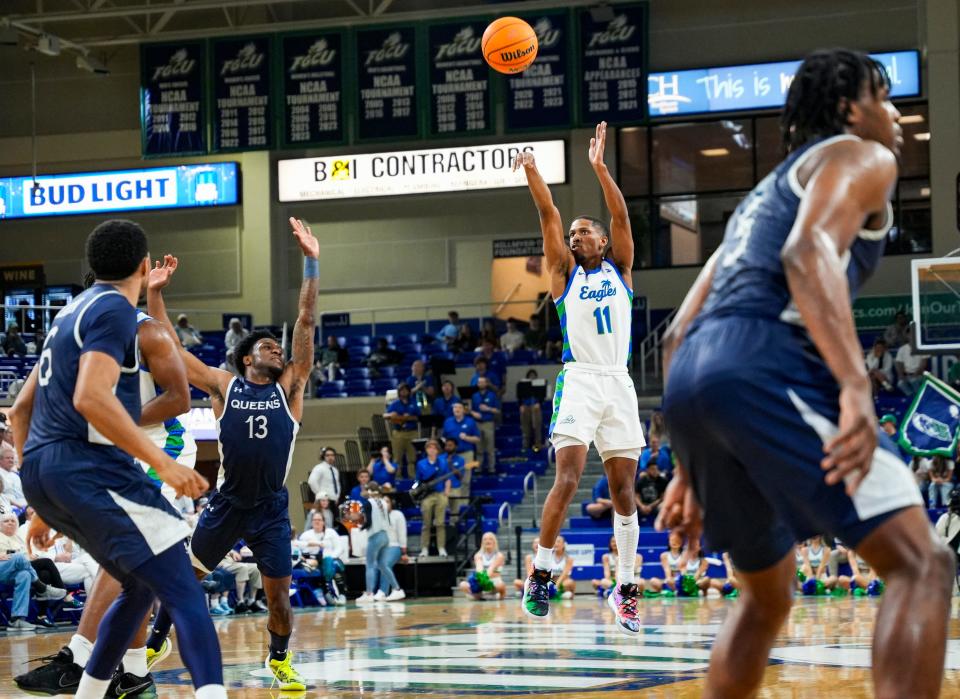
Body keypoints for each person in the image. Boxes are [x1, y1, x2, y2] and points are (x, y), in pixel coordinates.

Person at [658, 50, 954, 698]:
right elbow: (807, 249)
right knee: (922, 563)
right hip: (767, 360)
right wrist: (854, 383)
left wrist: (688, 465)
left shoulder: (756, 201)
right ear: (850, 109)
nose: (898, 117)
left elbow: (677, 330)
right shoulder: (861, 156)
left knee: (767, 597)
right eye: (885, 97)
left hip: (695, 380)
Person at [9, 219, 221, 698]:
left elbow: (21, 410)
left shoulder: (67, 314)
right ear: (144, 266)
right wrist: (162, 461)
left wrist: (40, 498)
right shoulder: (117, 315)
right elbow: (92, 397)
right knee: (182, 588)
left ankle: (98, 679)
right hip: (100, 464)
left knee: (139, 580)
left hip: (47, 466)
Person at [144, 215, 319, 692]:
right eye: (267, 346)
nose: (276, 351)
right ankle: (157, 639)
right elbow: (173, 353)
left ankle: (279, 659)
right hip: (226, 505)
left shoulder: (291, 387)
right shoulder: (224, 386)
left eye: (278, 348)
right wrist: (155, 294)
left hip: (270, 510)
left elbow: (305, 322)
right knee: (185, 580)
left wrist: (311, 262)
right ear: (247, 358)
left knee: (280, 601)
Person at [515, 122, 645, 634]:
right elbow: (548, 213)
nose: (575, 236)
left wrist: (599, 167)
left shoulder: (623, 268)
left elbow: (622, 213)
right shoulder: (564, 277)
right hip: (580, 380)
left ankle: (627, 587)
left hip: (620, 382)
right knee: (567, 478)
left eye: (583, 231)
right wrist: (532, 174)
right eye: (572, 234)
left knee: (624, 490)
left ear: (603, 240)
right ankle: (541, 573)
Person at [297, 512, 346, 605]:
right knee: (317, 568)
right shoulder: (306, 535)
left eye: (319, 520)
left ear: (323, 522)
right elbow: (300, 550)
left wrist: (330, 557)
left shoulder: (331, 532)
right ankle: (327, 594)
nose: (317, 522)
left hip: (331, 557)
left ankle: (342, 595)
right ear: (311, 522)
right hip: (314, 560)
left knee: (335, 565)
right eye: (315, 520)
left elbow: (339, 548)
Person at [355, 482, 391, 604]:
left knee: (370, 565)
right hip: (385, 535)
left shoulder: (369, 503)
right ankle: (383, 592)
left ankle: (369, 593)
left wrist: (360, 526)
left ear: (368, 491)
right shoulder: (384, 502)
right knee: (383, 565)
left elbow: (369, 522)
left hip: (375, 535)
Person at [416, 440, 451, 558]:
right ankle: (424, 548)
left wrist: (447, 490)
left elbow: (448, 477)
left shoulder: (443, 462)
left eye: (434, 448)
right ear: (426, 450)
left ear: (437, 450)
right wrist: (416, 493)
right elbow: (417, 481)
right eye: (429, 448)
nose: (431, 450)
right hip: (427, 496)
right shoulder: (421, 464)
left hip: (440, 493)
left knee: (440, 523)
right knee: (426, 524)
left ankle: (441, 547)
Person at [384, 383, 420, 479]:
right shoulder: (395, 404)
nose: (404, 392)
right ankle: (397, 477)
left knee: (412, 457)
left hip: (412, 432)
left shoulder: (414, 403)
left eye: (405, 390)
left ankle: (413, 477)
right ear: (399, 392)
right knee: (397, 458)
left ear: (409, 391)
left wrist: (407, 418)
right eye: (402, 390)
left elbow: (419, 417)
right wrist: (393, 415)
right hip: (399, 433)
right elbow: (386, 415)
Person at [377, 494, 407, 601]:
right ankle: (381, 592)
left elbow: (402, 534)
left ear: (391, 503)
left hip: (395, 547)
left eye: (387, 501)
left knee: (384, 564)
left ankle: (396, 589)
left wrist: (404, 552)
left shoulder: (398, 515)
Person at [459, 532, 506, 600]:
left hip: (494, 582)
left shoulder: (499, 556)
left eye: (490, 539)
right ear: (482, 542)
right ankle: (479, 595)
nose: (488, 541)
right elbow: (479, 571)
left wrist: (483, 577)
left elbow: (493, 571)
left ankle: (496, 596)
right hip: (481, 582)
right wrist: (481, 579)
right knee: (462, 584)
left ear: (494, 542)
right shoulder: (478, 555)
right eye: (485, 539)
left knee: (501, 585)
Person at [470, 375, 500, 476]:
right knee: (479, 448)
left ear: (486, 383)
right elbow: (471, 410)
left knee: (490, 447)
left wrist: (488, 409)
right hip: (477, 423)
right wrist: (473, 413)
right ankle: (479, 468)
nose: (481, 384)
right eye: (479, 382)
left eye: (483, 382)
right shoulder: (474, 396)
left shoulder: (492, 395)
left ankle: (492, 468)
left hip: (488, 423)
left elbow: (497, 410)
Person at [520, 369, 544, 451]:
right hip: (526, 407)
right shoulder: (523, 385)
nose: (532, 377)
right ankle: (525, 446)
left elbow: (542, 396)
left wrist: (539, 403)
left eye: (533, 376)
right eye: (530, 376)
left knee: (537, 427)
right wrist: (521, 405)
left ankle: (538, 445)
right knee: (525, 428)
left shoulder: (539, 386)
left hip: (536, 408)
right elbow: (519, 397)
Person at [0, 443, 27, 511]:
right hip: (6, 505)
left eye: (12, 458)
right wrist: (18, 505)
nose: (11, 460)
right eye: (7, 458)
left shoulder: (16, 476)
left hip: (23, 504)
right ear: (0, 460)